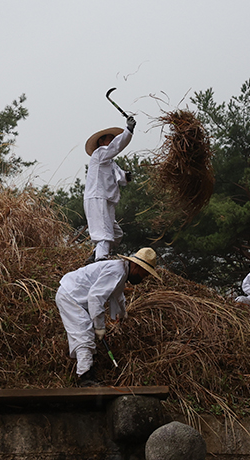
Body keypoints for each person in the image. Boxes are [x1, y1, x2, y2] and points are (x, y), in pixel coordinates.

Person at [55, 247, 161, 386]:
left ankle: (88, 371)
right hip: (70, 295)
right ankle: (85, 378)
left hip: (76, 297)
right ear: (136, 266)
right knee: (83, 335)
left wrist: (123, 315)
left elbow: (118, 296)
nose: (144, 277)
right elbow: (95, 298)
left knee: (85, 334)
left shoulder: (121, 272)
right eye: (144, 273)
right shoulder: (116, 272)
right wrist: (100, 328)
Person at [83, 117, 135, 261]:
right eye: (110, 139)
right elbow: (116, 147)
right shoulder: (99, 154)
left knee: (116, 234)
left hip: (107, 200)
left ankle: (95, 254)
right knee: (104, 234)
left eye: (114, 139)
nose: (113, 142)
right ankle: (100, 260)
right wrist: (129, 130)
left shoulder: (110, 162)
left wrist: (127, 176)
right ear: (101, 142)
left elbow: (121, 178)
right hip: (98, 198)